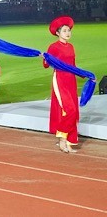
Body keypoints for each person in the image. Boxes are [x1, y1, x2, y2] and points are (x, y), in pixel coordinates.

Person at [44, 16, 80, 153]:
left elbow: (73, 66)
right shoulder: (53, 47)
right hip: (60, 79)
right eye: (64, 30)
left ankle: (69, 141)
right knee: (69, 109)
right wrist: (46, 58)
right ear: (58, 33)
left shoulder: (71, 47)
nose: (68, 33)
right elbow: (46, 65)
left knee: (73, 111)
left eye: (69, 30)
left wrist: (86, 75)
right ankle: (62, 138)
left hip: (71, 80)